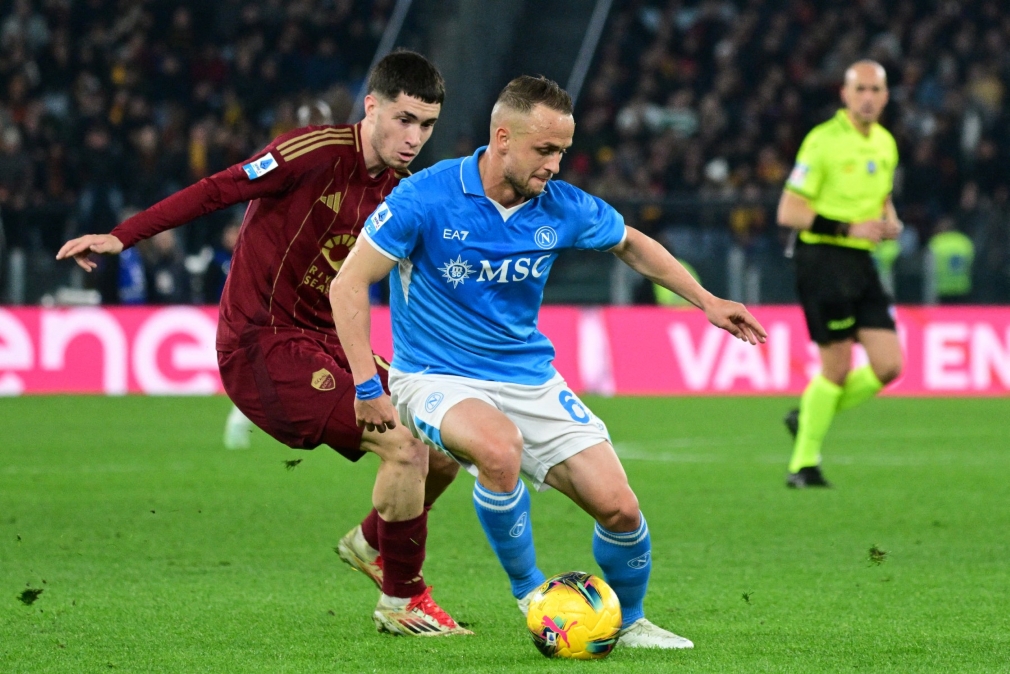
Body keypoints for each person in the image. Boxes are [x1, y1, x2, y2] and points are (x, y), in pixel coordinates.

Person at [331, 75, 766, 649]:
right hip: (435, 376)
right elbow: (349, 284)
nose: (556, 166)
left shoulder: (561, 206)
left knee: (620, 509)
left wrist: (707, 301)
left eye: (563, 151)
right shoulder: (425, 197)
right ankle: (532, 594)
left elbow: (632, 243)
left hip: (530, 378)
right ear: (503, 138)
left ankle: (630, 620)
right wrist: (367, 385)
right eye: (545, 150)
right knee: (497, 447)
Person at [56, 50, 469, 637]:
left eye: (426, 126)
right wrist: (123, 238)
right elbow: (215, 189)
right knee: (404, 448)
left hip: (328, 340)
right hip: (262, 346)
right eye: (404, 119)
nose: (414, 138)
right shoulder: (314, 152)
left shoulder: (400, 192)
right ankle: (403, 600)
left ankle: (370, 543)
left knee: (445, 446)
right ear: (372, 106)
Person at [777, 60, 904, 488]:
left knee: (889, 365)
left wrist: (891, 220)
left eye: (876, 90)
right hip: (823, 261)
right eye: (860, 89)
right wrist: (850, 227)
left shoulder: (886, 143)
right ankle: (803, 466)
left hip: (861, 263)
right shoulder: (823, 141)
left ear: (885, 97)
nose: (868, 97)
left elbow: (883, 197)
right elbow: (789, 211)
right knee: (836, 368)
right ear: (845, 95)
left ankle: (809, 415)